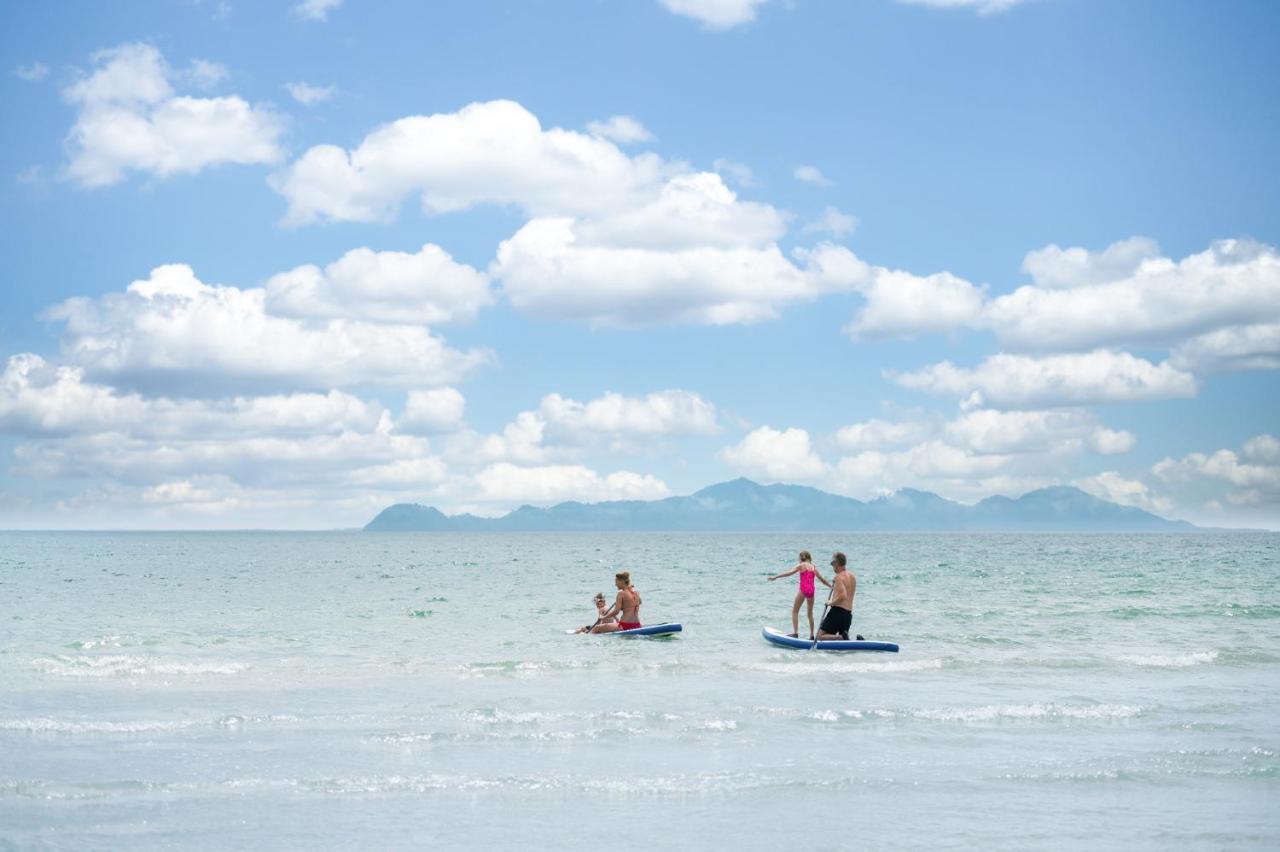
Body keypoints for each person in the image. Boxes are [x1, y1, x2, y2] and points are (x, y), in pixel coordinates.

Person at [768, 550, 831, 639]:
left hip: (803, 590)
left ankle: (795, 633)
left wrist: (776, 577)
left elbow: (788, 573)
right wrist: (831, 586)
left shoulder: (801, 566)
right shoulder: (813, 567)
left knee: (795, 611)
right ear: (809, 558)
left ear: (801, 558)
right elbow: (822, 580)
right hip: (811, 591)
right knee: (810, 614)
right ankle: (812, 635)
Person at [817, 552, 863, 641]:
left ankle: (841, 637)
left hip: (837, 612)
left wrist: (830, 603)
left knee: (820, 637)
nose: (832, 566)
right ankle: (855, 640)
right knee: (844, 642)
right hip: (848, 614)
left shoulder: (839, 577)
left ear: (836, 563)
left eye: (832, 563)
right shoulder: (852, 576)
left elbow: (843, 596)